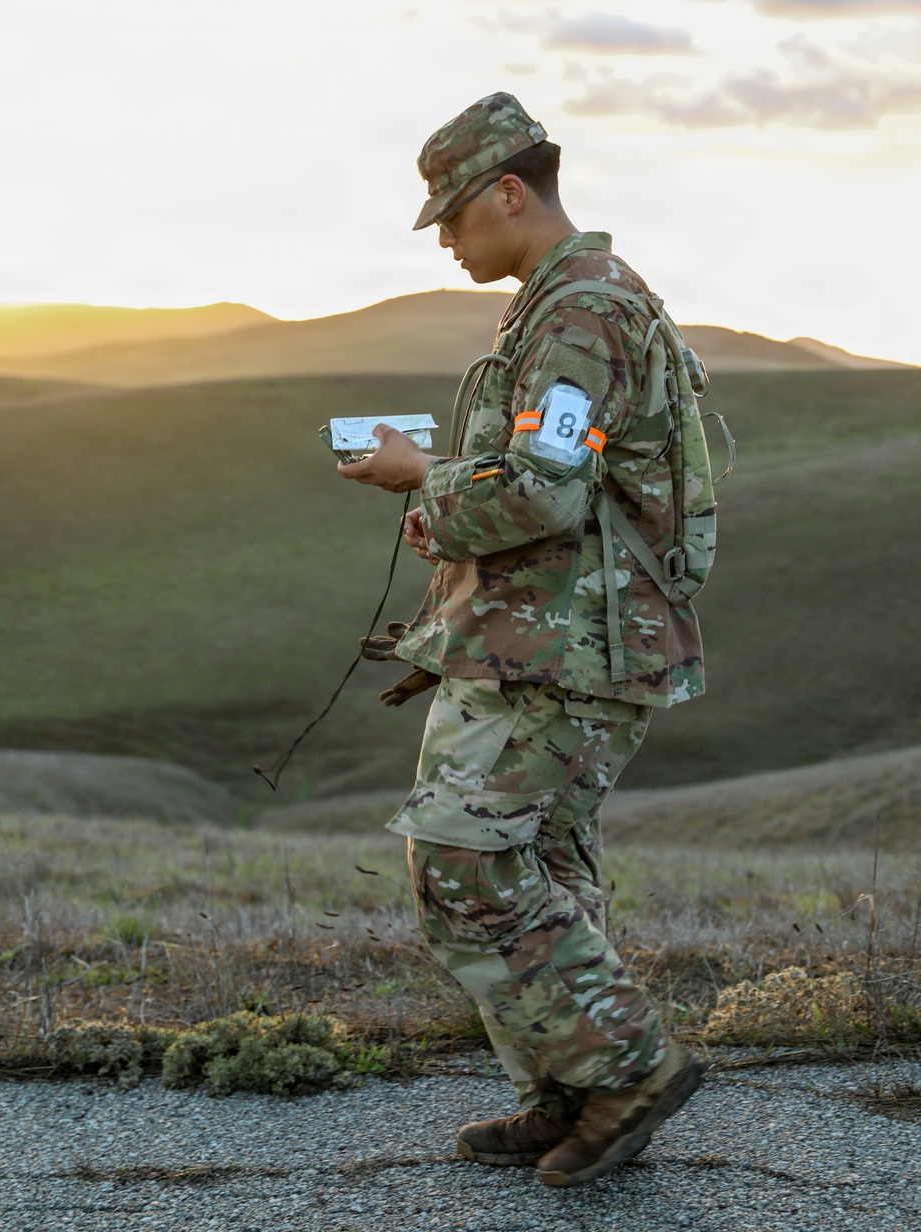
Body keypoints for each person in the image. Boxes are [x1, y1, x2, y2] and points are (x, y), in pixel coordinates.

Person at [338, 91, 705, 1188]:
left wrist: (421, 474)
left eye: (452, 216)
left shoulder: (580, 313)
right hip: (553, 637)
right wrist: (442, 508)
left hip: (563, 649)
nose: (444, 240)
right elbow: (556, 483)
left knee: (463, 861)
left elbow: (543, 492)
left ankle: (630, 1068)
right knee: (544, 865)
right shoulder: (566, 304)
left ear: (509, 193)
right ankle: (573, 1094)